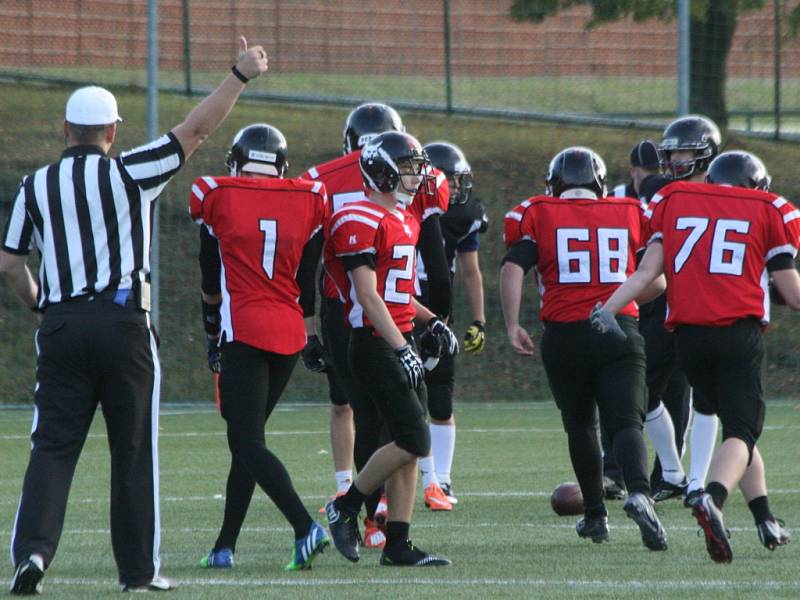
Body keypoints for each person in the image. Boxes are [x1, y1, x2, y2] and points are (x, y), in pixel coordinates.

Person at [0, 37, 267, 595]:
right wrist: (239, 76)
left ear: (64, 131)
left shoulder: (34, 186)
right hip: (125, 325)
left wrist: (41, 305)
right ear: (113, 133)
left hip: (63, 326)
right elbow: (196, 131)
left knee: (51, 446)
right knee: (133, 449)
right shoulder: (131, 171)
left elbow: (9, 263)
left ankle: (32, 555)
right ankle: (137, 574)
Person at [591, 150, 800, 562]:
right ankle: (713, 500)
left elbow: (646, 273)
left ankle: (764, 518)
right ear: (754, 187)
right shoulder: (770, 208)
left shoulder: (675, 201)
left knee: (738, 430)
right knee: (742, 431)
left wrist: (607, 309)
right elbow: (791, 292)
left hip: (688, 339)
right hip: (737, 334)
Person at [499, 147, 668, 552]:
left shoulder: (536, 211)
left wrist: (511, 324)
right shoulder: (630, 210)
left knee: (580, 426)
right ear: (600, 184)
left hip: (564, 332)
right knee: (627, 421)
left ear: (555, 185)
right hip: (617, 328)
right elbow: (657, 283)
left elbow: (512, 267)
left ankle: (595, 516)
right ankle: (641, 493)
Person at [190, 124, 331, 571]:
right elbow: (307, 285)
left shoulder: (218, 194)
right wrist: (310, 337)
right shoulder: (310, 199)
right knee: (247, 442)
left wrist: (212, 332)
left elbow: (212, 282)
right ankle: (223, 547)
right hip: (287, 333)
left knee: (246, 441)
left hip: (244, 330)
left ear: (237, 161)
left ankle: (305, 527)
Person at [323, 131, 455, 567]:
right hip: (375, 344)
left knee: (411, 445)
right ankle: (345, 507)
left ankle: (398, 543)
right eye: (409, 167)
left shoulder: (405, 218)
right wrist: (401, 348)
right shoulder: (356, 216)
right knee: (414, 437)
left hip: (398, 337)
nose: (418, 176)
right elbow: (368, 296)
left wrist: (431, 319)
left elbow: (397, 295)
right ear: (381, 170)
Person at [300, 103, 405, 548]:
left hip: (341, 310)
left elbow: (306, 260)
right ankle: (366, 505)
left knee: (368, 410)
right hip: (389, 308)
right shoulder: (414, 173)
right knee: (386, 412)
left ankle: (365, 502)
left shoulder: (318, 178)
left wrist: (308, 326)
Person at [609, 138, 689, 502]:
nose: (652, 178)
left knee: (676, 390)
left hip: (671, 295)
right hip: (636, 295)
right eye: (647, 172)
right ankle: (617, 471)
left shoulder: (673, 194)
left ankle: (671, 474)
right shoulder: (616, 197)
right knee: (630, 387)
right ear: (633, 171)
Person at [415, 141, 488, 506]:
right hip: (396, 309)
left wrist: (479, 320)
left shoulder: (462, 217)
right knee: (406, 399)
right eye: (451, 182)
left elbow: (472, 273)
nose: (456, 191)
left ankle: (440, 481)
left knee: (440, 398)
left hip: (438, 313)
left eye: (459, 183)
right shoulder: (400, 207)